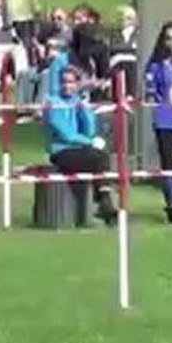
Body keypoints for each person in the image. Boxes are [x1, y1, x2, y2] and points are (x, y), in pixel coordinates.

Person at [43, 66, 117, 226]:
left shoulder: (77, 101)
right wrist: (90, 142)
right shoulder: (52, 103)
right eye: (63, 82)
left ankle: (104, 203)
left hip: (79, 150)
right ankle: (104, 202)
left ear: (77, 84)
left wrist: (84, 108)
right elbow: (67, 135)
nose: (66, 86)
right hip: (61, 151)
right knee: (99, 157)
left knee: (102, 155)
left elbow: (89, 131)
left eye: (70, 82)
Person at [144, 21, 172, 222]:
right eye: (168, 38)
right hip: (165, 120)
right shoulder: (155, 65)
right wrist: (155, 99)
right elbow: (150, 93)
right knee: (167, 163)